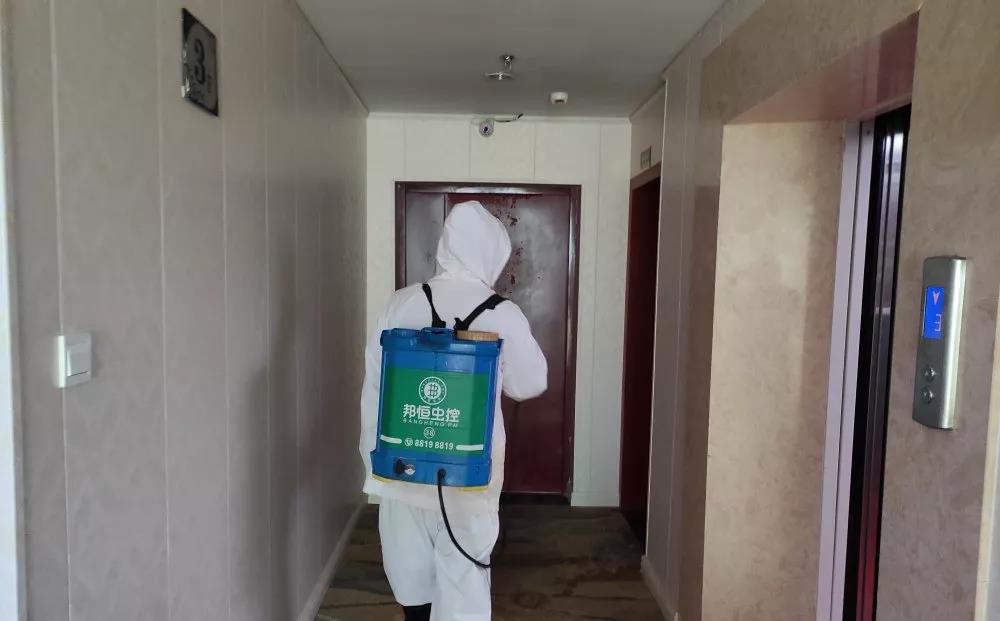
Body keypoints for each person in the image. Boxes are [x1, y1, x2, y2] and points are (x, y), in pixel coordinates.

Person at [359, 200, 548, 620]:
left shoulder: (400, 303)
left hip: (403, 468)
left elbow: (375, 382)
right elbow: (531, 383)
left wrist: (373, 461)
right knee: (463, 579)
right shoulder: (502, 313)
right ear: (491, 252)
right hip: (468, 479)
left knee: (410, 574)